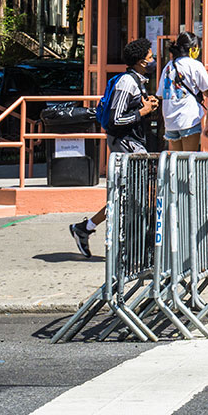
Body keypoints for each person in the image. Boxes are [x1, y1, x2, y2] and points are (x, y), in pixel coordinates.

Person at [68, 38, 159, 258]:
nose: (153, 59)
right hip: (126, 145)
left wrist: (146, 106)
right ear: (141, 61)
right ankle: (131, 247)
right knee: (132, 197)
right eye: (150, 56)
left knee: (128, 196)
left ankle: (87, 228)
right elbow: (114, 119)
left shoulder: (137, 81)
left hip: (132, 143)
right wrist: (143, 112)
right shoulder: (127, 83)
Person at [157, 31, 208, 153]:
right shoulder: (195, 65)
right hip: (188, 117)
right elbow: (207, 90)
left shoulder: (168, 66)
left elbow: (160, 94)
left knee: (177, 160)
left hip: (170, 119)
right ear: (193, 48)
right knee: (189, 158)